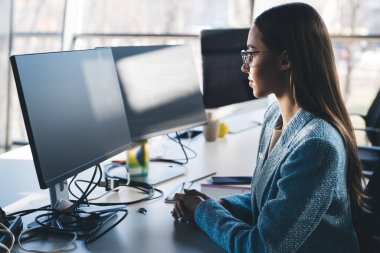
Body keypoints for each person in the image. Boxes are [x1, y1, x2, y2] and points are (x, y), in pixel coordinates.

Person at [171, 3, 363, 252]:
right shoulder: (275, 114)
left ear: (285, 59)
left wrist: (205, 212)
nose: (244, 66)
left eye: (252, 54)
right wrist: (212, 206)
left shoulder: (317, 146)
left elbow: (262, 247)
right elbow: (266, 203)